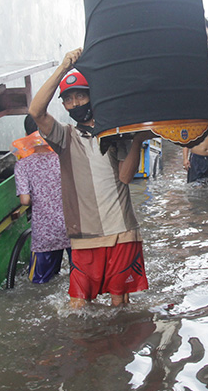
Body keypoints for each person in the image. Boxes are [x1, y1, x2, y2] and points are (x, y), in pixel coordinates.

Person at [28, 49, 150, 307]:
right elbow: (36, 112)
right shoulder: (65, 137)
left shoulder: (117, 134)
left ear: (92, 97)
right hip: (84, 236)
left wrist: (138, 139)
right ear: (63, 106)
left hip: (122, 230)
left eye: (80, 96)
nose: (75, 104)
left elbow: (126, 177)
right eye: (69, 100)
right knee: (78, 305)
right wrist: (63, 67)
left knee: (120, 304)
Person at [13, 115, 70, 283]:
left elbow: (25, 200)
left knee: (40, 282)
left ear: (26, 134)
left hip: (45, 232)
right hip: (71, 227)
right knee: (78, 277)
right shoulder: (64, 158)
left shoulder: (23, 165)